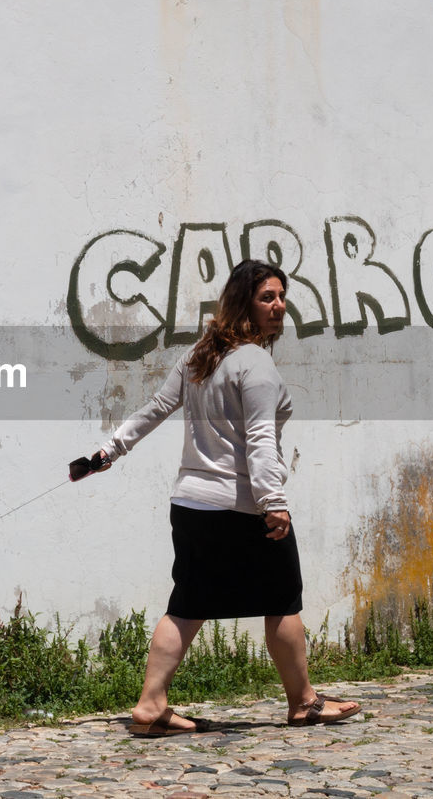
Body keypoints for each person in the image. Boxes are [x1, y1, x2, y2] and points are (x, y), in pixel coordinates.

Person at [74, 259, 360, 735]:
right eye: (267, 297)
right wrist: (274, 502)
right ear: (243, 303)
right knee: (283, 600)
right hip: (240, 507)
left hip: (191, 505)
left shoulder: (202, 355)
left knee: (187, 604)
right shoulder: (255, 365)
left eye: (281, 297)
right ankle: (305, 702)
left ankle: (150, 705)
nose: (279, 306)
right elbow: (261, 439)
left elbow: (155, 408)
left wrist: (108, 451)